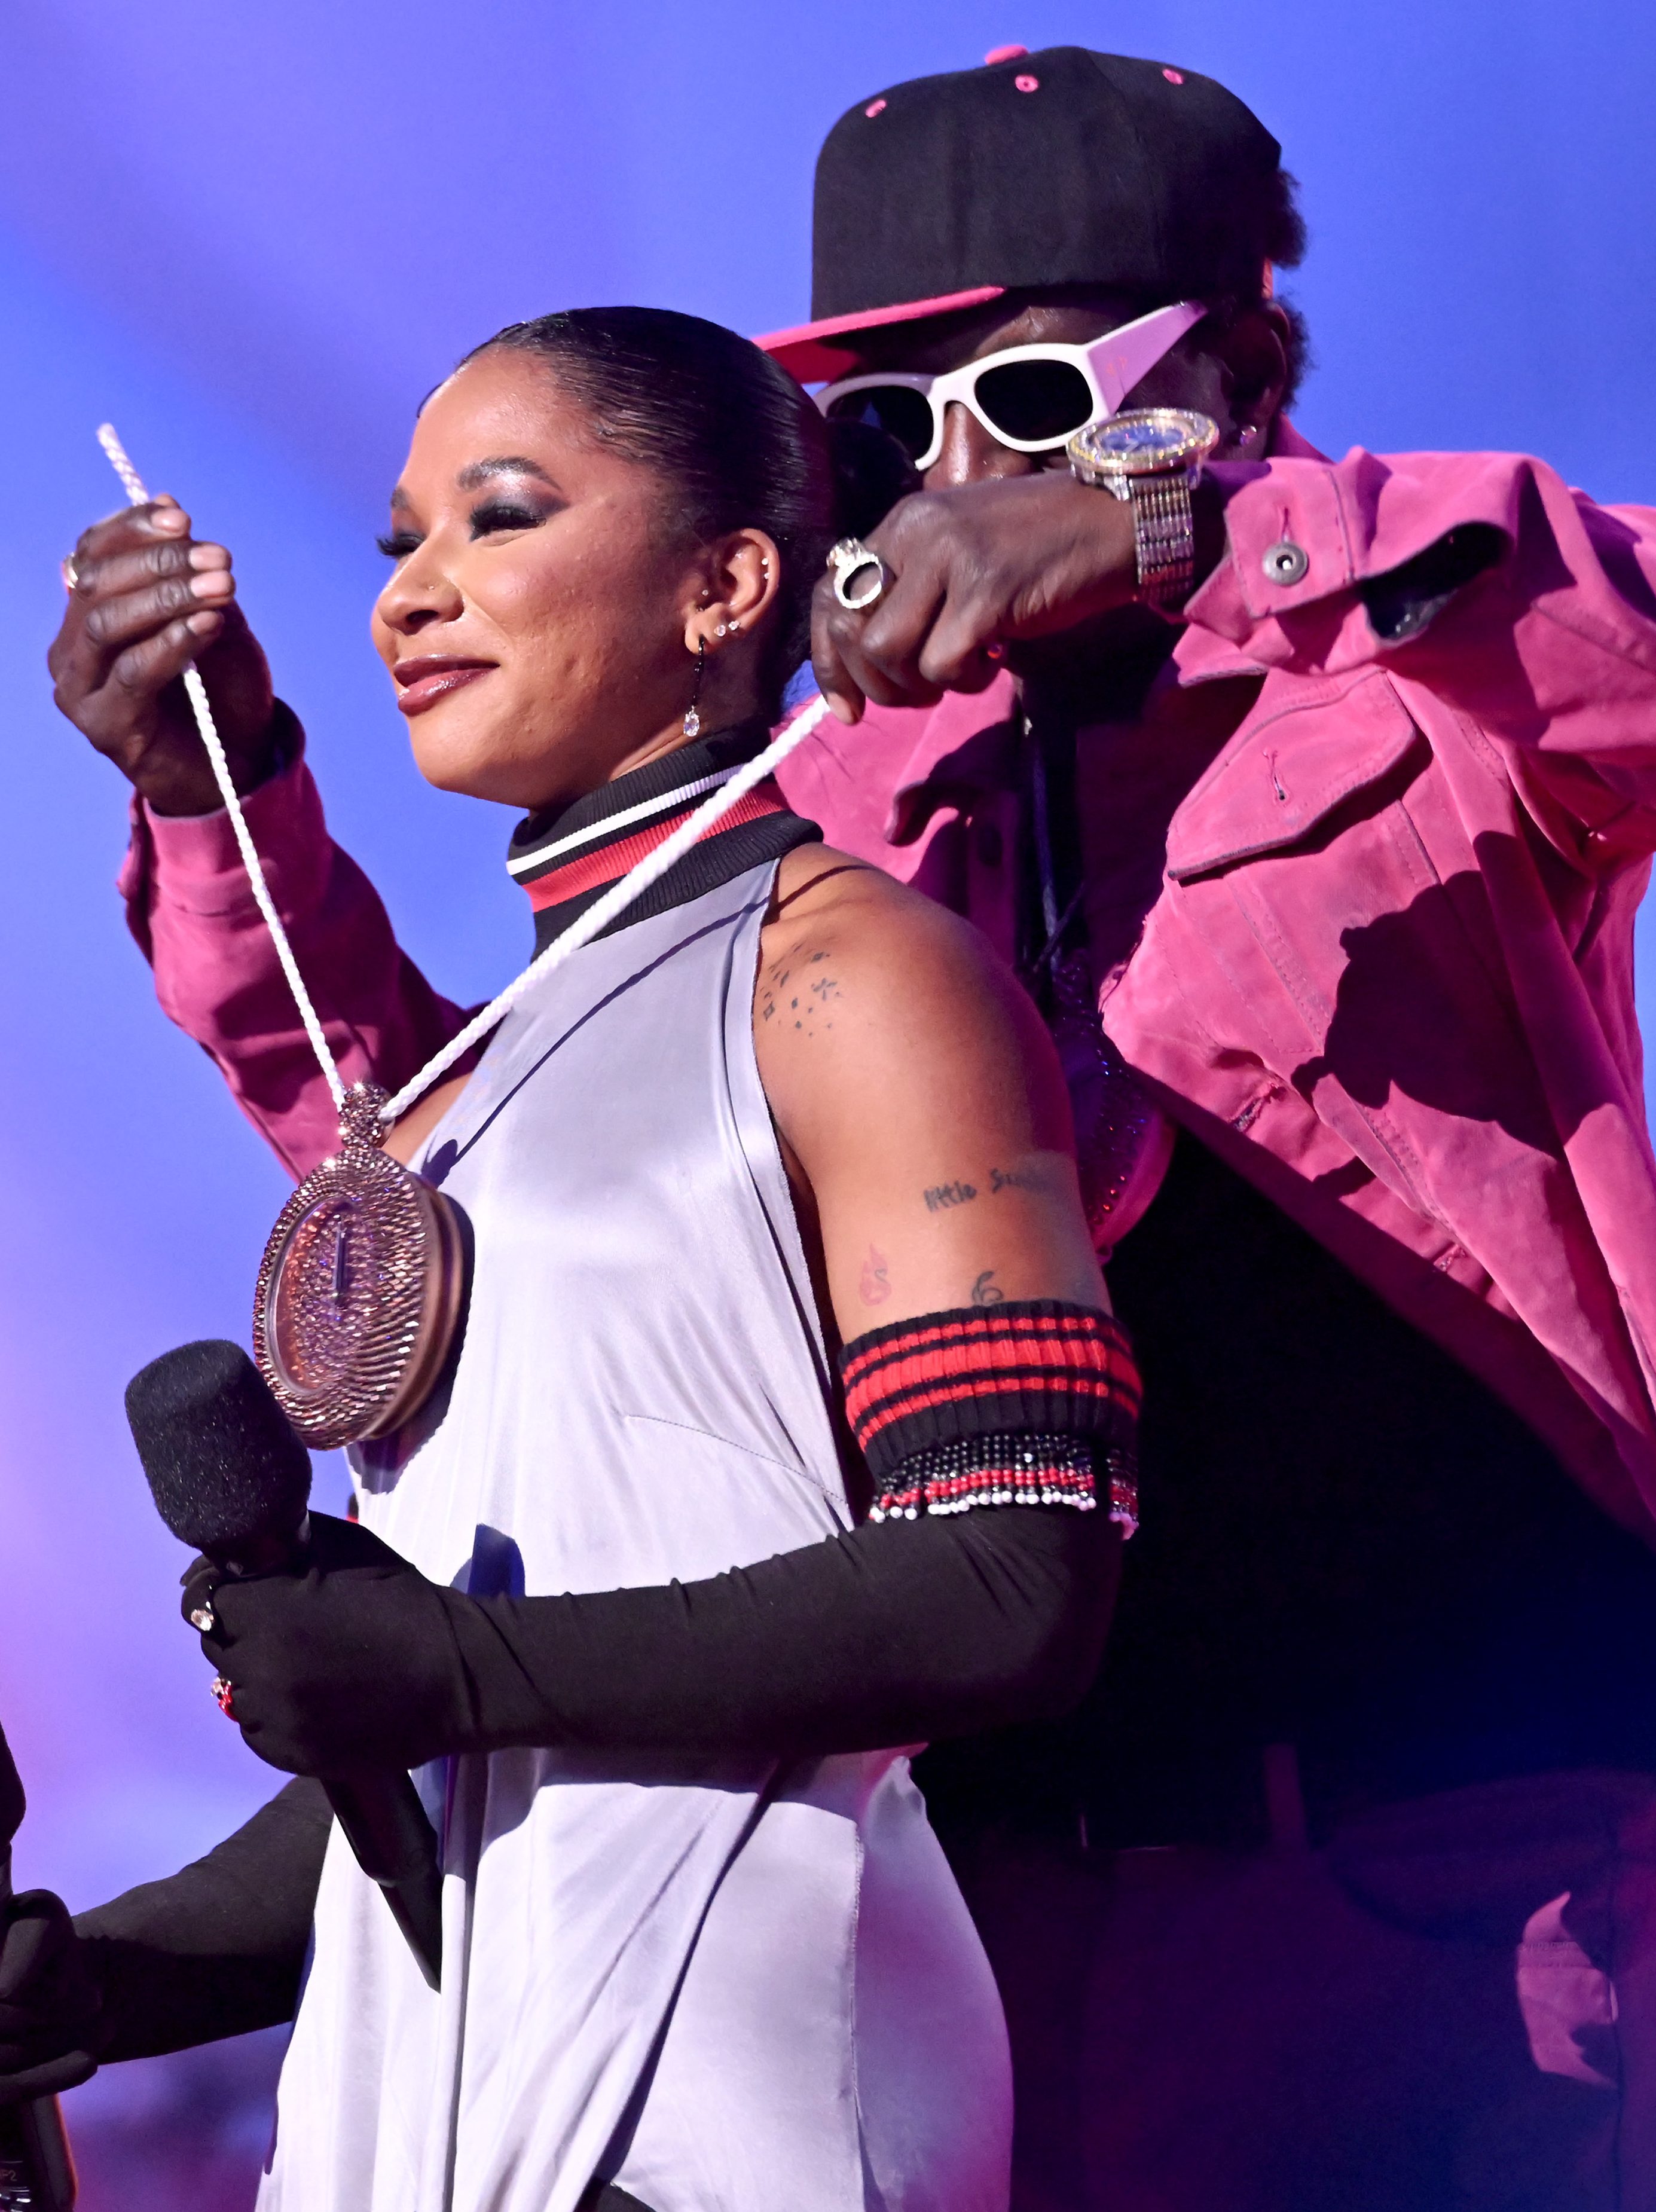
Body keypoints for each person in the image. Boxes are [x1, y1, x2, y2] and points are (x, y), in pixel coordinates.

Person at [36, 41, 1656, 2212]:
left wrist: (1194, 515)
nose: (954, 469)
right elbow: (473, 1167)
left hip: (1454, 1856)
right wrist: (223, 802)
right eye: (882, 429)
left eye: (1038, 400)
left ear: (1245, 361)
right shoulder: (847, 806)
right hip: (985, 1886)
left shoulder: (1409, 678)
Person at [4, 305, 1145, 2212]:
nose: (410, 599)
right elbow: (480, 1765)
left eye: (498, 518)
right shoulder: (491, 1070)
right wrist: (100, 1983)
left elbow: (1018, 1578)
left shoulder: (844, 972)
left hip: (737, 2097)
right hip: (437, 2119)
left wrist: (449, 1664)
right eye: (397, 546)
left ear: (726, 582)